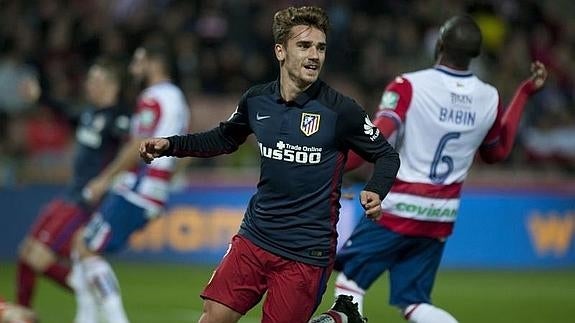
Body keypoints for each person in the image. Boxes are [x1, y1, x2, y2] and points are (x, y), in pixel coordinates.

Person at [139, 5, 400, 323]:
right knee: (212, 318)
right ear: (281, 51)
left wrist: (376, 189)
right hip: (255, 236)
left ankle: (335, 320)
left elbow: (386, 155)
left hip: (306, 251)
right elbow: (223, 138)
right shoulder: (257, 100)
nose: (314, 55)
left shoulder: (340, 110)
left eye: (320, 47)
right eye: (304, 46)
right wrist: (171, 145)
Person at [332, 15, 548, 323]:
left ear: (440, 44)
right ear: (475, 54)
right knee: (414, 302)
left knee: (349, 284)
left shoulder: (409, 86)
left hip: (395, 207)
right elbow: (497, 152)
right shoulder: (489, 97)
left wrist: (331, 163)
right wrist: (524, 94)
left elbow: (378, 138)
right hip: (440, 214)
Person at [70, 41, 190, 323]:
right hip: (155, 186)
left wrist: (104, 179)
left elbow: (138, 144)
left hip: (140, 186)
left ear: (154, 63)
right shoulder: (177, 98)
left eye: (139, 60)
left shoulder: (152, 97)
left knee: (87, 247)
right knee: (81, 244)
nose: (134, 66)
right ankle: (85, 318)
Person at [15, 58, 129, 308]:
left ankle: (96, 291)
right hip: (69, 194)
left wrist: (106, 181)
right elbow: (64, 109)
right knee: (25, 254)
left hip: (84, 202)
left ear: (111, 85)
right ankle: (22, 314)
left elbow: (130, 152)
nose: (89, 85)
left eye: (95, 80)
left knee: (38, 258)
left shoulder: (119, 119)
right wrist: (40, 96)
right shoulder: (89, 114)